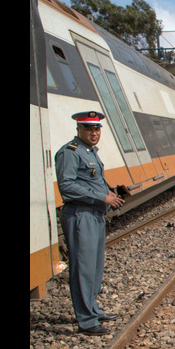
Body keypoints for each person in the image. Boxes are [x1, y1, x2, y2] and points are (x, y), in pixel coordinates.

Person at [54, 112, 126, 335]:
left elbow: (91, 181)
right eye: (88, 129)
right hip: (80, 215)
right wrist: (102, 197)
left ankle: (93, 309)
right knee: (83, 268)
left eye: (97, 129)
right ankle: (86, 320)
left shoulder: (90, 152)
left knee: (94, 267)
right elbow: (66, 186)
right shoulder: (70, 153)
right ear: (79, 130)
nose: (94, 133)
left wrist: (110, 193)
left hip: (94, 215)